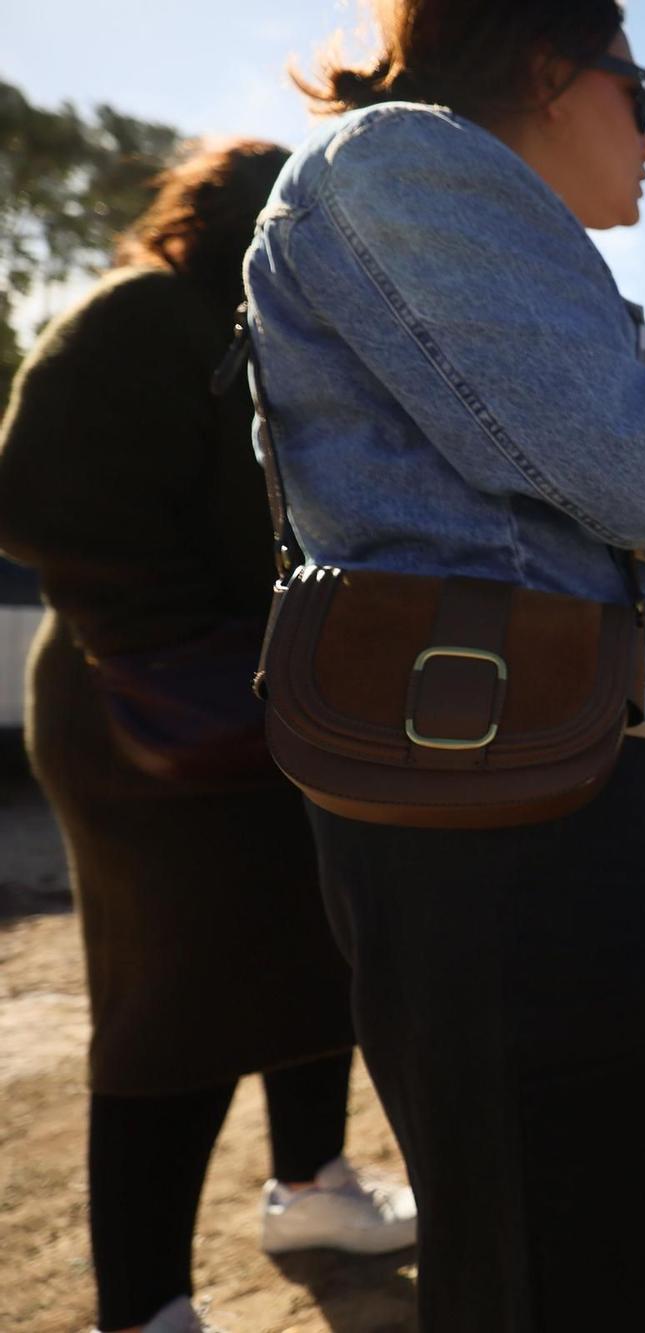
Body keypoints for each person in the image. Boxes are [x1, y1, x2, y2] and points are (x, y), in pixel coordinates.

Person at [247, 3, 645, 1326]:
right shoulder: (410, 162)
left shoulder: (434, 186)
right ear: (554, 65)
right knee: (545, 1250)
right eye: (643, 89)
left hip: (525, 787)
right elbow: (626, 460)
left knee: (571, 1214)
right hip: (503, 812)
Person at [0, 140, 416, 1333]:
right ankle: (145, 1306)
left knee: (307, 949)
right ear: (254, 218)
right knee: (166, 1003)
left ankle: (308, 1188)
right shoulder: (142, 314)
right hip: (138, 716)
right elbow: (34, 494)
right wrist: (169, 640)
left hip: (255, 709)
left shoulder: (278, 341)